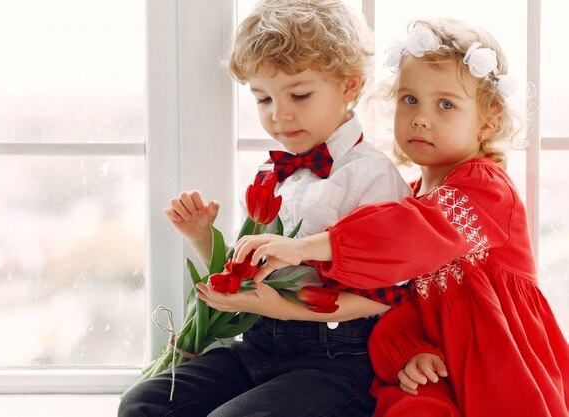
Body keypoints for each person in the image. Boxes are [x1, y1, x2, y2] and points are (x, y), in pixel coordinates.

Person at [232, 18, 569, 417]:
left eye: (445, 104)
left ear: (488, 120)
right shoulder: (406, 193)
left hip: (494, 360)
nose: (421, 118)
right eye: (409, 99)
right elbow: (397, 300)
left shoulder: (486, 188)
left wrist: (303, 247)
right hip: (433, 366)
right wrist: (409, 352)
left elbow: (410, 234)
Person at [118, 1, 411, 416]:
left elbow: (387, 296)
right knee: (143, 404)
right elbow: (249, 272)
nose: (280, 114)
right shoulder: (271, 172)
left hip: (333, 361)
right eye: (262, 99)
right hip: (257, 346)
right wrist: (205, 237)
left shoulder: (373, 176)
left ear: (349, 85)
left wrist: (281, 307)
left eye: (299, 94)